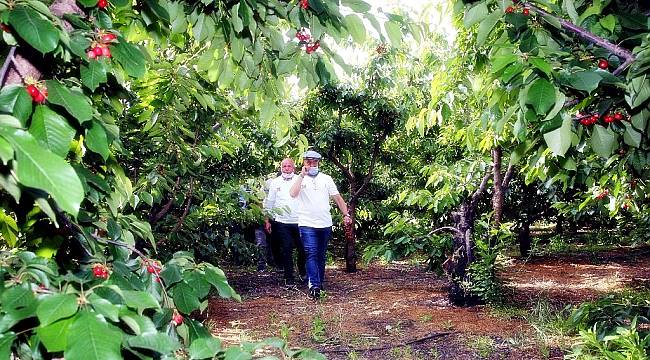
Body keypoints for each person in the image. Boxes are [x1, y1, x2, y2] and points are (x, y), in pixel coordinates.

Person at [290, 150, 352, 299]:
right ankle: (314, 285)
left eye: (314, 162)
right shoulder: (299, 178)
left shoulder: (326, 178)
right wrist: (301, 175)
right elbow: (292, 193)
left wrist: (346, 214)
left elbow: (337, 197)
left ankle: (319, 281)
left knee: (321, 255)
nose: (311, 165)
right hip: (307, 223)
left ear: (318, 163)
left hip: (324, 223)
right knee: (310, 253)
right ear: (304, 163)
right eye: (308, 162)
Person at [264, 158, 306, 286]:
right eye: (284, 166)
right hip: (282, 222)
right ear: (281, 168)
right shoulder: (275, 182)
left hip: (300, 221)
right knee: (286, 249)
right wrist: (267, 220)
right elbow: (270, 202)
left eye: (289, 166)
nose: (286, 168)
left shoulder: (301, 180)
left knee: (303, 249)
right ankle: (289, 277)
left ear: (294, 168)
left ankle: (302, 271)